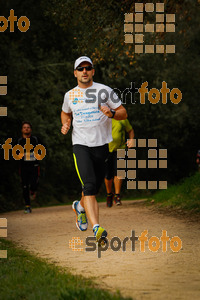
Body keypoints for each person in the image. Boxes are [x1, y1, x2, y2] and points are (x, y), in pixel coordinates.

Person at [61, 56, 127, 245]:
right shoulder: (70, 95)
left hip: (102, 147)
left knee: (92, 189)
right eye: (80, 69)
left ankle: (79, 207)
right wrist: (65, 123)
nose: (84, 71)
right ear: (75, 73)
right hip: (80, 145)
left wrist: (112, 113)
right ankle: (97, 228)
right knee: (89, 186)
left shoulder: (105, 91)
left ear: (93, 71)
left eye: (87, 68)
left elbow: (124, 112)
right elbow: (65, 111)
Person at [105, 119, 134, 207]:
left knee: (119, 172)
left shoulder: (123, 119)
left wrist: (131, 140)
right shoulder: (103, 118)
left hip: (120, 149)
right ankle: (109, 194)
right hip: (106, 150)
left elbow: (130, 130)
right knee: (107, 175)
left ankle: (117, 195)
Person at [17, 121, 41, 213]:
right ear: (22, 130)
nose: (26, 129)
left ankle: (33, 191)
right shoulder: (19, 141)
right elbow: (14, 152)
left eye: (28, 127)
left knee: (34, 183)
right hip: (23, 167)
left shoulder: (35, 139)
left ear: (30, 129)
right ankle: (27, 206)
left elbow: (43, 149)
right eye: (24, 127)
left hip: (34, 165)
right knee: (24, 186)